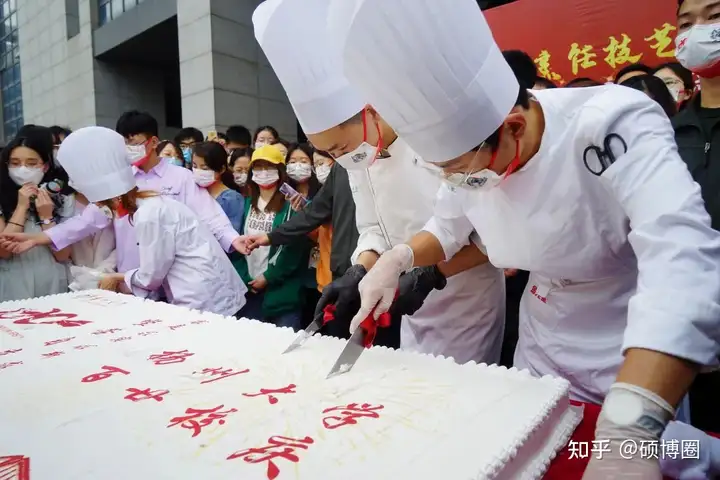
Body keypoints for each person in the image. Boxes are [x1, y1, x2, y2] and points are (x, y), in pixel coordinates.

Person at [331, 0, 720, 477]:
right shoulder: (466, 164)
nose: (453, 183)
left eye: (458, 172)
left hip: (630, 354)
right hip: (540, 353)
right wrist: (400, 257)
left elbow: (682, 260)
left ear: (514, 127)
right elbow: (446, 228)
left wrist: (628, 431)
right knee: (529, 457)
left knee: (675, 457)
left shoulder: (610, 121)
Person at [252, 0, 506, 360]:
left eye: (341, 146)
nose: (341, 159)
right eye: (330, 154)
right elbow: (372, 227)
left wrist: (429, 273)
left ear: (370, 113)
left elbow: (486, 237)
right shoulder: (361, 157)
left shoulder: (436, 140)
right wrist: (361, 269)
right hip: (402, 294)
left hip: (465, 302)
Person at [1, 112, 246, 284]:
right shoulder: (119, 179)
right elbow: (87, 221)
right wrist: (36, 239)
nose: (129, 147)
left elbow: (208, 214)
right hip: (131, 275)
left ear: (152, 142)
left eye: (134, 141)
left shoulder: (181, 177)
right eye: (124, 141)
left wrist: (233, 240)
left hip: (176, 276)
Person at [43, 126, 245, 315]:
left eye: (106, 207)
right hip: (198, 288)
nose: (108, 215)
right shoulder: (147, 203)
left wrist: (114, 278)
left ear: (115, 199)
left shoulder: (149, 215)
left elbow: (151, 277)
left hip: (202, 293)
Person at [672, 0, 720, 434]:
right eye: (687, 23)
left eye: (715, 16)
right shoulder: (667, 132)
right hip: (687, 325)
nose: (699, 31)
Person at [234, 145, 312, 330]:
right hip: (250, 292)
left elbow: (294, 248)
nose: (263, 172)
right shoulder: (246, 204)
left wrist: (268, 277)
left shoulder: (292, 206)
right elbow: (236, 244)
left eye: (268, 167)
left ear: (280, 171)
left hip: (282, 296)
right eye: (258, 168)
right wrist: (246, 278)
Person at [0, 130, 73, 301]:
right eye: (15, 163)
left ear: (45, 166)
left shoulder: (62, 198)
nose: (23, 169)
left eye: (32, 163)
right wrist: (21, 207)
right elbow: (4, 251)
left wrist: (46, 216)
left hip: (52, 283)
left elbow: (63, 255)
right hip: (12, 283)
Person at [192, 141, 245, 233]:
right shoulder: (193, 190)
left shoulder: (232, 199)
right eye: (194, 166)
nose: (198, 171)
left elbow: (232, 235)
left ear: (222, 169)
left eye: (204, 168)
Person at [285, 143, 321, 209]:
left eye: (304, 161)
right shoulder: (283, 192)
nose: (298, 166)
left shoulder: (322, 191)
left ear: (312, 164)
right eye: (293, 162)